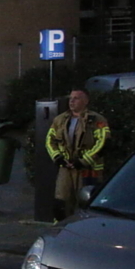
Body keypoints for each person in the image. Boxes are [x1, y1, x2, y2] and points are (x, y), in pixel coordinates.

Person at [45, 88, 108, 221]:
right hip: (66, 168)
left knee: (86, 202)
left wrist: (84, 161)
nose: (71, 101)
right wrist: (58, 158)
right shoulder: (60, 119)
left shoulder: (97, 119)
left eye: (76, 98)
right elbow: (50, 140)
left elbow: (103, 142)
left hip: (88, 170)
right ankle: (60, 229)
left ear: (86, 101)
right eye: (70, 98)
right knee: (61, 203)